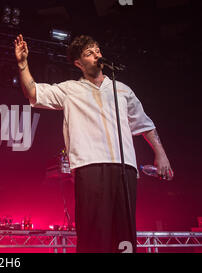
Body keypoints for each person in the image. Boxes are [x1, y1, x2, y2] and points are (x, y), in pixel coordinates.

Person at [14, 34, 173, 253]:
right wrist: (23, 65)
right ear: (78, 63)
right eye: (89, 53)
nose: (97, 55)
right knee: (93, 233)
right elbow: (33, 92)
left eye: (97, 50)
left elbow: (145, 124)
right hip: (90, 166)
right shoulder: (70, 89)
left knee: (124, 235)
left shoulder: (123, 90)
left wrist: (161, 154)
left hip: (124, 167)